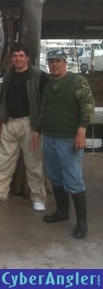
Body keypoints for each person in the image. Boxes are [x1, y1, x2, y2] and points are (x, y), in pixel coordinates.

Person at [38, 49, 94, 239]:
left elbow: (88, 105)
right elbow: (43, 109)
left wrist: (82, 130)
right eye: (51, 61)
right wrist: (38, 131)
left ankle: (82, 223)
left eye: (58, 61)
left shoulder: (77, 81)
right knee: (54, 176)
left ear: (65, 62)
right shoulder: (48, 85)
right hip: (49, 137)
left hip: (68, 139)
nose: (54, 65)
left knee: (73, 180)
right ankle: (62, 212)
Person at [0, 44, 48, 210]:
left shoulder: (39, 76)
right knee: (3, 162)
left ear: (27, 58)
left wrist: (38, 129)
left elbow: (44, 104)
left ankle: (38, 198)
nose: (18, 59)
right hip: (8, 122)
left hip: (29, 123)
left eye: (21, 55)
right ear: (11, 58)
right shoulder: (7, 76)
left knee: (33, 163)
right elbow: (2, 102)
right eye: (15, 56)